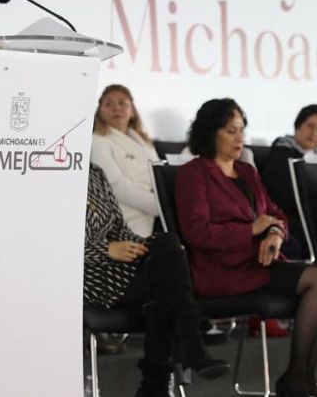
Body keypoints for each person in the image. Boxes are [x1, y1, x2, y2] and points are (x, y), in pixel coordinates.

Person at [175, 99, 317, 397]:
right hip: (223, 270)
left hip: (258, 261)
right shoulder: (194, 173)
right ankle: (297, 377)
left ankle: (301, 376)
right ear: (210, 132)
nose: (239, 138)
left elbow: (275, 214)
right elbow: (197, 232)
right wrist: (251, 230)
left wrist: (275, 235)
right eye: (231, 131)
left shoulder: (246, 171)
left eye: (241, 130)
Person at [83, 164, 229, 396]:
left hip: (115, 266)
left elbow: (119, 229)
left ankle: (161, 377)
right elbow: (48, 244)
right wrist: (105, 250)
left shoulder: (94, 172)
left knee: (166, 245)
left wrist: (140, 246)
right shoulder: (46, 175)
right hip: (81, 274)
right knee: (165, 284)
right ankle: (177, 357)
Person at [261, 104, 317, 260]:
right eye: (310, 126)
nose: (314, 133)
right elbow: (283, 194)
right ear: (298, 125)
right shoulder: (281, 152)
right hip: (289, 217)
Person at [91, 84, 161, 238]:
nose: (116, 108)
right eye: (108, 104)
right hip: (125, 217)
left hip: (155, 215)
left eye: (122, 103)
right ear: (99, 111)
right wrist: (160, 205)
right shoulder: (98, 141)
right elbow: (115, 186)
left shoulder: (145, 141)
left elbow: (160, 177)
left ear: (132, 110)